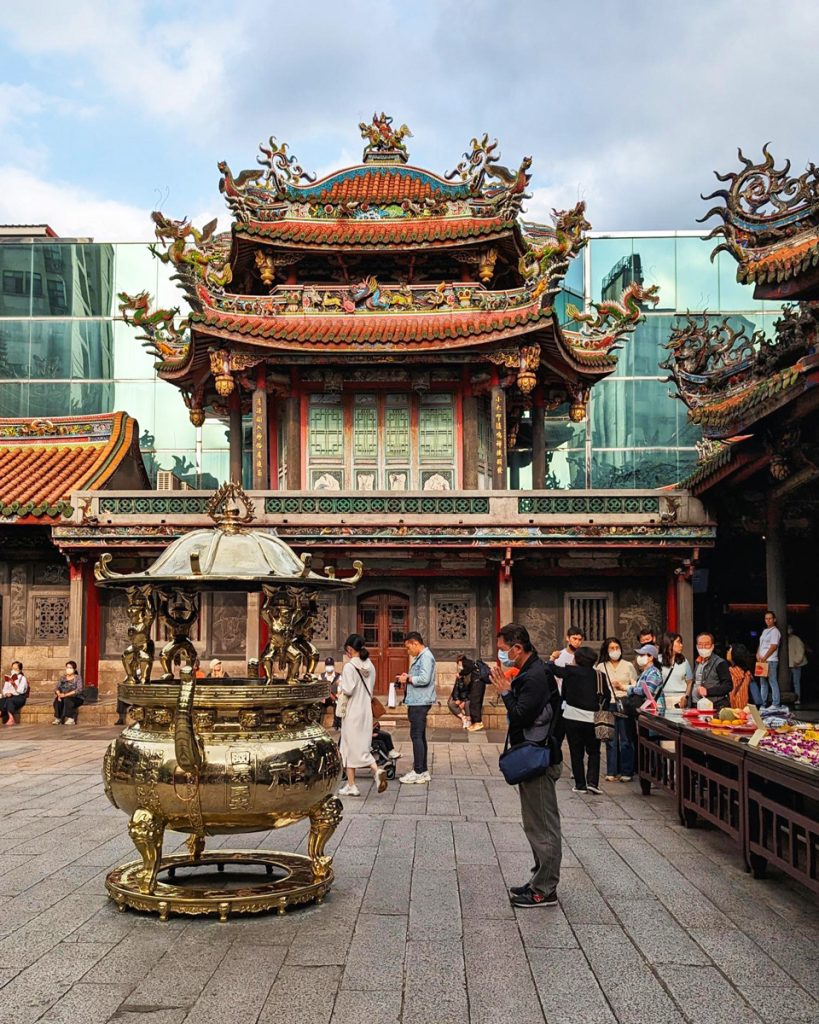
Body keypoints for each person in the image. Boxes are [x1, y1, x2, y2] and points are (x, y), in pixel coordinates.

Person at [490, 623, 562, 908]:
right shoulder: (531, 672)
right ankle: (538, 879)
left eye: (504, 649)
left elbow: (521, 715)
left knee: (543, 825)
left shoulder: (535, 676)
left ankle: (545, 889)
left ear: (517, 648)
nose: (503, 654)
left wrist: (507, 693)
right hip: (532, 756)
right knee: (534, 823)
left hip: (539, 759)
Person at [548, 646, 610, 795]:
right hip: (593, 718)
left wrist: (552, 659)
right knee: (594, 751)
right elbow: (606, 695)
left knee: (576, 751)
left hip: (572, 716)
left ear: (577, 659)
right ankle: (593, 782)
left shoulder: (570, 671)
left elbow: (552, 669)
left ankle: (580, 784)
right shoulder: (599, 675)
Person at [337, 633, 387, 797]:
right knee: (357, 746)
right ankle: (352, 784)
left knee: (350, 745)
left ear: (350, 649)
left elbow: (349, 689)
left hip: (352, 711)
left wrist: (341, 683)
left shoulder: (350, 667)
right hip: (365, 710)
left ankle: (375, 770)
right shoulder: (370, 665)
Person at [397, 631, 437, 785]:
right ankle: (423, 770)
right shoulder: (422, 657)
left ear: (415, 643)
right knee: (419, 736)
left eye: (408, 648)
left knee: (416, 736)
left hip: (420, 701)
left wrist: (408, 678)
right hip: (417, 700)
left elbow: (425, 679)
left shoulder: (426, 657)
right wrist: (409, 676)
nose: (408, 651)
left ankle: (418, 771)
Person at [596, 637, 637, 782]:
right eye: (611, 648)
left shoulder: (628, 666)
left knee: (626, 739)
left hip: (624, 704)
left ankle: (627, 771)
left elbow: (635, 686)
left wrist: (623, 687)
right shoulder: (601, 667)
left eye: (617, 648)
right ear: (606, 650)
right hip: (609, 704)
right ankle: (611, 770)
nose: (615, 651)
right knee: (610, 739)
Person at [693, 633, 732, 710]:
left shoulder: (720, 663)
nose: (703, 647)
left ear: (712, 646)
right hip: (699, 706)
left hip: (716, 706)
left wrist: (708, 691)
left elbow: (728, 685)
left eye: (707, 644)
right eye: (700, 644)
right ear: (697, 646)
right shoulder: (698, 662)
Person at [658, 632, 694, 709]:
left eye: (681, 642)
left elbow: (689, 682)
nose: (681, 645)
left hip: (679, 700)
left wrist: (686, 697)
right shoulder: (658, 660)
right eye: (678, 642)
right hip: (661, 699)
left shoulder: (684, 661)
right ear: (669, 643)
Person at [627, 644, 664, 714]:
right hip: (648, 710)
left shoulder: (654, 673)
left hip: (655, 711)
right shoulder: (645, 672)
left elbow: (648, 691)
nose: (639, 657)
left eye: (642, 655)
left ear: (651, 657)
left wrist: (631, 690)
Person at [756, 610, 782, 708]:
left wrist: (765, 657)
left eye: (770, 618)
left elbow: (774, 646)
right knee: (763, 682)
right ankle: (763, 702)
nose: (768, 620)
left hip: (770, 660)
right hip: (762, 660)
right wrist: (758, 654)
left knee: (772, 681)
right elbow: (761, 644)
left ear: (774, 620)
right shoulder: (765, 631)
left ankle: (776, 703)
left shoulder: (775, 631)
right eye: (766, 619)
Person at [53, 661, 83, 725]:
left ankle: (71, 718)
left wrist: (65, 695)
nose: (68, 669)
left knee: (68, 700)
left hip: (76, 698)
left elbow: (78, 690)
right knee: (57, 701)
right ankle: (58, 718)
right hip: (63, 696)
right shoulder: (63, 678)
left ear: (74, 669)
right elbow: (57, 688)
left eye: (70, 667)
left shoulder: (77, 678)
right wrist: (59, 695)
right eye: (67, 667)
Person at [1, 661, 29, 727]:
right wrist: (6, 693)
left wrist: (14, 684)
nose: (14, 670)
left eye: (16, 669)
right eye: (13, 668)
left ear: (20, 669)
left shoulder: (22, 678)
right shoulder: (9, 678)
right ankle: (2, 713)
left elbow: (21, 691)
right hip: (9, 696)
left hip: (19, 697)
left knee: (9, 700)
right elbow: (4, 689)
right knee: (2, 700)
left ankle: (11, 718)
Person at [726, 643, 753, 710]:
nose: (727, 652)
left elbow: (731, 692)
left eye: (729, 650)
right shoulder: (747, 672)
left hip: (734, 707)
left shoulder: (733, 671)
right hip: (744, 706)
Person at [788, 626, 807, 705]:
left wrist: (797, 661)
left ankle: (797, 698)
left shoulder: (796, 639)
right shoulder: (785, 639)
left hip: (795, 664)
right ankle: (790, 698)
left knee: (796, 682)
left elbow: (801, 651)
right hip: (788, 665)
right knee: (789, 683)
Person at [321, 657, 342, 728]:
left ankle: (336, 724)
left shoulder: (338, 676)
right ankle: (318, 723)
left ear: (333, 666)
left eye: (330, 665)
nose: (329, 667)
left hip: (334, 697)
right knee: (318, 704)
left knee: (337, 702)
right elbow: (320, 688)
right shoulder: (321, 676)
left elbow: (339, 689)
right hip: (324, 698)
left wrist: (337, 695)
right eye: (327, 665)